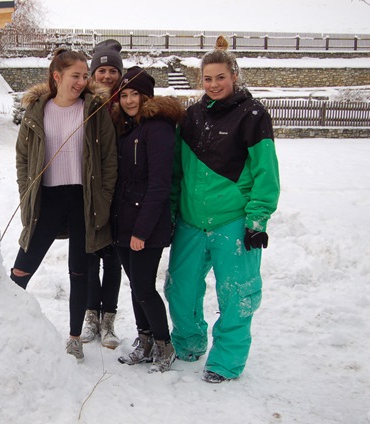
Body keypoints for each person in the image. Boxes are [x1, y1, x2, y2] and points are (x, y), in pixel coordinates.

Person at [165, 38, 280, 383]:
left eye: (220, 77)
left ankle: (226, 361)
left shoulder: (253, 115)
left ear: (234, 76)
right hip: (190, 220)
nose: (213, 85)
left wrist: (257, 219)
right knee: (179, 289)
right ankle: (189, 340)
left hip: (233, 221)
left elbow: (266, 172)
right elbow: (176, 171)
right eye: (207, 79)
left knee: (237, 293)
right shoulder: (190, 116)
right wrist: (170, 212)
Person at [9, 48, 118, 362]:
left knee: (80, 272)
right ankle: (9, 326)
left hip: (83, 200)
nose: (82, 82)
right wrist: (25, 193)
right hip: (48, 200)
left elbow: (109, 160)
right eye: (75, 76)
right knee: (21, 268)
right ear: (57, 76)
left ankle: (74, 338)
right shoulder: (36, 112)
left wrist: (103, 198)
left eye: (85, 76)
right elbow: (22, 158)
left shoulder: (94, 111)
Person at [112, 67, 185, 373]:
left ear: (146, 96)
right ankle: (145, 341)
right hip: (123, 220)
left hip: (147, 224)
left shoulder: (158, 128)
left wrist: (142, 229)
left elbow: (159, 184)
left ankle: (164, 346)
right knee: (135, 286)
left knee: (143, 286)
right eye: (124, 95)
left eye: (135, 95)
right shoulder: (128, 127)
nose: (129, 101)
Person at [82, 39, 124, 349]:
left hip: (121, 194)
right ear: (92, 74)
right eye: (101, 70)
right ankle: (90, 316)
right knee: (87, 259)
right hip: (87, 192)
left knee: (112, 260)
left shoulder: (129, 102)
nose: (107, 76)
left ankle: (108, 319)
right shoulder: (83, 103)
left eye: (112, 70)